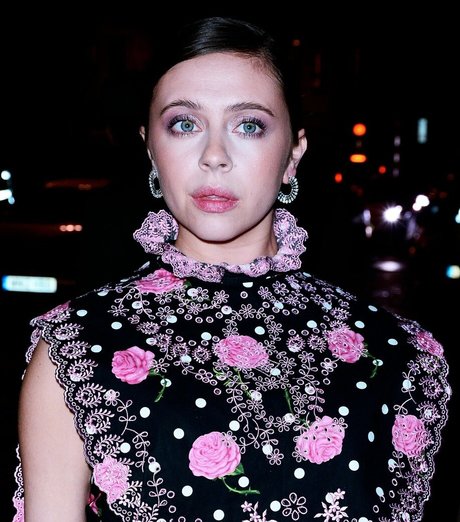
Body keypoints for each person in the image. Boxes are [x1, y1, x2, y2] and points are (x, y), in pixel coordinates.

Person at [11, 16, 451, 522]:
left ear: (294, 153)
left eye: (248, 125)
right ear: (150, 149)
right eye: (184, 124)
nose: (214, 156)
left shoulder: (397, 353)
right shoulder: (75, 350)